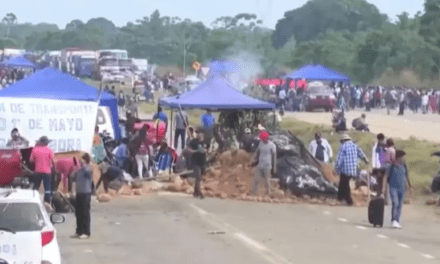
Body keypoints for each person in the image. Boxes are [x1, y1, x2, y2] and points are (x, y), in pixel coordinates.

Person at [334, 134, 369, 206]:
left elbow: (340, 159)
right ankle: (340, 199)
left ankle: (349, 200)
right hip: (353, 169)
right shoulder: (355, 146)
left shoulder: (343, 146)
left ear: (343, 140)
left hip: (345, 169)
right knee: (342, 184)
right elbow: (361, 154)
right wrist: (366, 160)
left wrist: (336, 168)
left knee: (345, 184)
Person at [388, 150, 412, 229]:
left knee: (400, 205)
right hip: (393, 187)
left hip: (402, 188)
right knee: (395, 203)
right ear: (398, 157)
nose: (403, 158)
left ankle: (397, 221)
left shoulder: (404, 165)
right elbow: (386, 176)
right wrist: (383, 188)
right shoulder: (392, 166)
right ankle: (394, 220)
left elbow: (407, 176)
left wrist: (410, 186)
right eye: (402, 157)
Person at [72, 153, 93, 239]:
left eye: (82, 160)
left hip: (86, 193)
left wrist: (83, 166)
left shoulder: (88, 169)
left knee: (85, 213)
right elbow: (73, 177)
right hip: (79, 193)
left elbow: (89, 173)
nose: (80, 162)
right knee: (78, 213)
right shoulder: (79, 170)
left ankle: (86, 232)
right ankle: (79, 231)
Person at [30, 136, 55, 203]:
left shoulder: (35, 150)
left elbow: (31, 160)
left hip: (37, 172)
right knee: (47, 188)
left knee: (35, 188)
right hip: (47, 172)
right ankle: (47, 202)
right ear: (46, 143)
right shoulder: (49, 150)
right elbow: (53, 160)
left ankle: (33, 201)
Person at [251, 131, 277, 196]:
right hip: (260, 165)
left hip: (267, 166)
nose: (262, 140)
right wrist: (254, 159)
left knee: (267, 181)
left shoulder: (272, 145)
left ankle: (268, 194)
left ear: (265, 138)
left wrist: (274, 167)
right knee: (256, 179)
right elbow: (257, 152)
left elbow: (274, 157)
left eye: (262, 138)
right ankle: (254, 194)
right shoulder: (261, 143)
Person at [188, 128, 206, 199]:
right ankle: (200, 193)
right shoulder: (193, 142)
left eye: (199, 133)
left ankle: (195, 192)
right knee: (198, 177)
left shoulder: (204, 142)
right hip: (195, 162)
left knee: (199, 178)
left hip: (202, 162)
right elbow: (189, 150)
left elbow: (207, 149)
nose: (198, 134)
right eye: (197, 133)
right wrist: (196, 151)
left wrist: (205, 151)